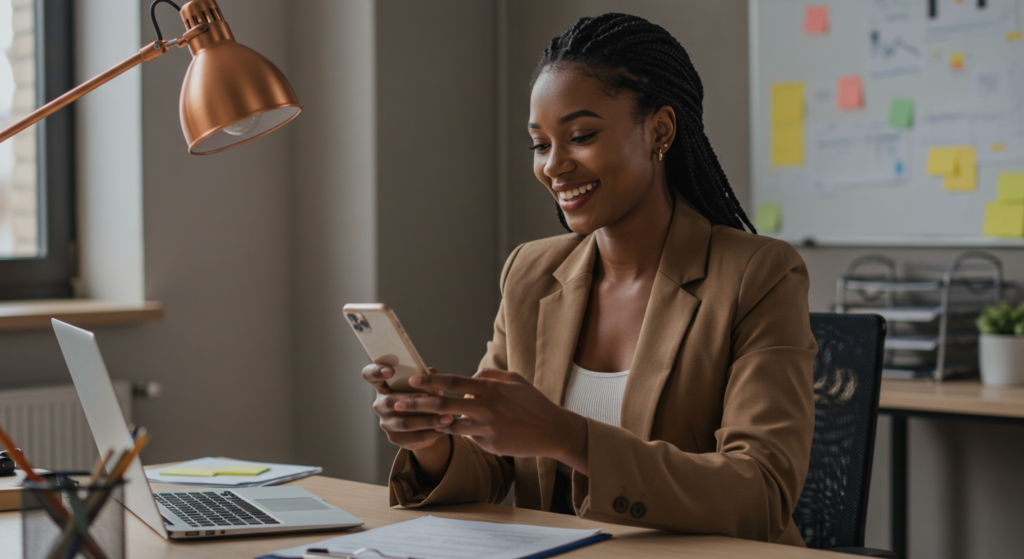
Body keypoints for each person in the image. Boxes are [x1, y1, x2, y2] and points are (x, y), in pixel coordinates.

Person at [362, 13, 817, 546]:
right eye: (540, 144)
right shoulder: (531, 274)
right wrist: (432, 441)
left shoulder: (758, 274)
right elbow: (492, 465)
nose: (554, 166)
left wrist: (567, 437)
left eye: (580, 136)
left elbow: (761, 493)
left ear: (660, 131)